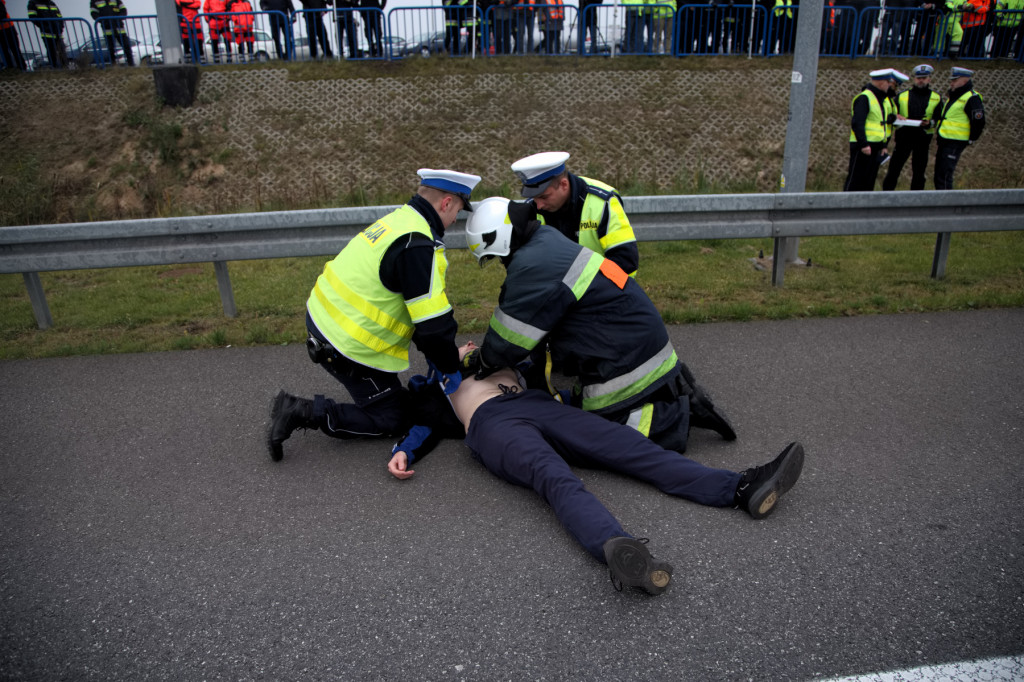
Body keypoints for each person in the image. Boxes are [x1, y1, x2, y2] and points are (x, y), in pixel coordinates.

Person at [385, 342, 806, 596]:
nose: (468, 346)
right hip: (492, 425)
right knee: (555, 478)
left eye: (471, 344)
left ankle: (740, 488)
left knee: (628, 447)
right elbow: (423, 420)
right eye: (461, 346)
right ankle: (622, 551)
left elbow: (550, 368)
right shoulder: (440, 377)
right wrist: (405, 450)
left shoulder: (509, 360)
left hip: (540, 407)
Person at [463, 196, 736, 455]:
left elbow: (508, 340)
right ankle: (673, 386)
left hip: (625, 353)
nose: (499, 263)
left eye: (495, 257)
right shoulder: (543, 239)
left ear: (499, 238)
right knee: (583, 406)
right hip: (631, 341)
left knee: (597, 432)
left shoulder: (531, 264)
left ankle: (680, 415)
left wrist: (482, 361)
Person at [266, 168, 482, 461]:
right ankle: (302, 412)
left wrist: (443, 356)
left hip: (325, 321)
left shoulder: (401, 220)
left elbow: (420, 317)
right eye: (457, 210)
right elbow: (432, 326)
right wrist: (449, 367)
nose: (456, 219)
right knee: (394, 417)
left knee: (403, 400)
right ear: (446, 203)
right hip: (347, 345)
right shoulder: (417, 245)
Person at [510, 151, 639, 277]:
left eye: (544, 197)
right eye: (534, 198)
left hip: (600, 291)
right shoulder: (531, 208)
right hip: (552, 293)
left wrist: (595, 291)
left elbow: (625, 263)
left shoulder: (602, 202)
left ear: (564, 184)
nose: (539, 205)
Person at [882, 64, 941, 191]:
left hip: (923, 140)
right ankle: (886, 196)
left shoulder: (936, 98)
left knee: (919, 173)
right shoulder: (902, 96)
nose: (921, 80)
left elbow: (939, 118)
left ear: (929, 79)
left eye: (924, 78)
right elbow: (891, 113)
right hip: (904, 137)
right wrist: (896, 115)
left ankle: (916, 200)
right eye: (918, 78)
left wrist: (930, 123)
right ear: (914, 79)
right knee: (893, 170)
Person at [843, 69, 899, 192]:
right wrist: (863, 144)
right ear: (881, 83)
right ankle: (847, 207)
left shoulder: (882, 100)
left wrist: (883, 145)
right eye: (888, 82)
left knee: (869, 181)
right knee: (856, 180)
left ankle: (864, 208)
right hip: (864, 146)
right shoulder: (864, 98)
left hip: (876, 146)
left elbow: (882, 125)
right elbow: (858, 123)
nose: (890, 85)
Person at [933, 66, 985, 190]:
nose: (951, 83)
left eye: (955, 80)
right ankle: (940, 202)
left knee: (944, 176)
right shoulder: (955, 96)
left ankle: (946, 205)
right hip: (945, 140)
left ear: (965, 80)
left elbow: (979, 120)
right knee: (939, 174)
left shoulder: (971, 98)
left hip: (956, 141)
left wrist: (972, 138)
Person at [90, 0, 134, 66]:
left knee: (126, 46)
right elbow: (94, 14)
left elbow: (123, 10)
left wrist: (118, 18)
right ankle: (113, 65)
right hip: (107, 29)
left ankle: (131, 64)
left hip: (119, 28)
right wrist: (104, 21)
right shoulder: (95, 1)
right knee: (110, 48)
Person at [26, 0, 66, 68]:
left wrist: (61, 27)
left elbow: (59, 16)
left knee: (62, 51)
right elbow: (32, 17)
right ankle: (54, 68)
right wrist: (45, 26)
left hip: (58, 33)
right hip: (47, 34)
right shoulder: (33, 3)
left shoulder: (51, 3)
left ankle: (65, 67)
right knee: (51, 52)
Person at [1, 0, 28, 70]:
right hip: (5, 29)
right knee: (5, 50)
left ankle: (21, 67)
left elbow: (2, 14)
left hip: (8, 29)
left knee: (15, 49)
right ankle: (10, 67)